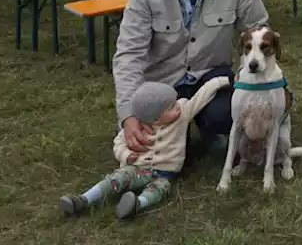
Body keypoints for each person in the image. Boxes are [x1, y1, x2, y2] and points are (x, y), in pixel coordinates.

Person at [112, 0, 268, 161]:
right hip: (163, 83)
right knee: (156, 152)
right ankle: (180, 131)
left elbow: (260, 29)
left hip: (211, 76)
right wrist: (129, 114)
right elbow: (129, 55)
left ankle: (212, 130)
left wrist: (248, 73)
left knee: (227, 115)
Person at [59, 78, 230, 220]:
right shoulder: (138, 127)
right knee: (116, 178)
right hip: (136, 168)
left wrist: (221, 81)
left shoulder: (182, 114)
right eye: (171, 107)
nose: (177, 105)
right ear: (155, 119)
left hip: (165, 173)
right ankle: (83, 199)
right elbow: (118, 143)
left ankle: (136, 204)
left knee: (161, 189)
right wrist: (126, 155)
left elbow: (201, 96)